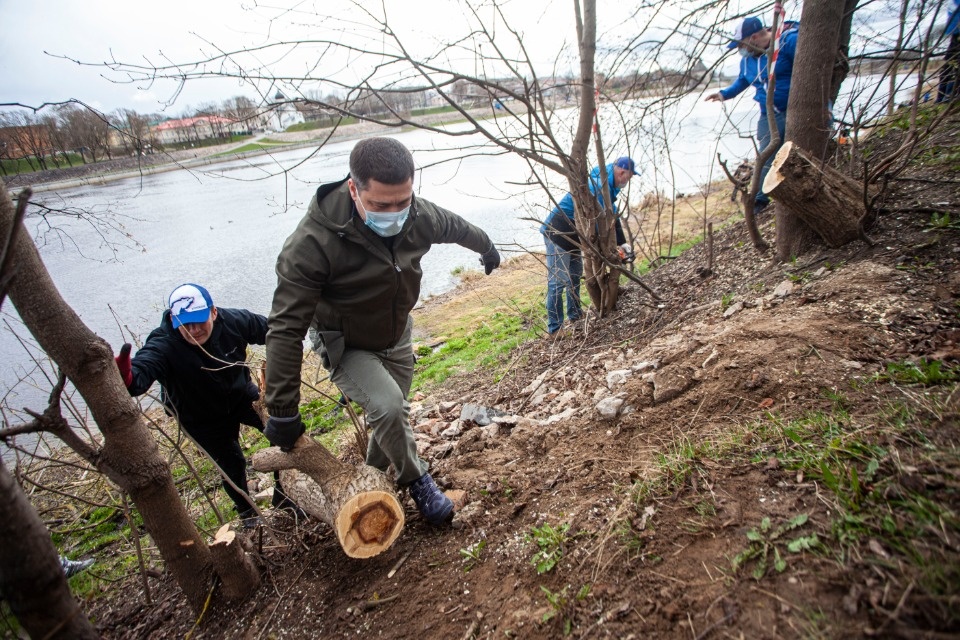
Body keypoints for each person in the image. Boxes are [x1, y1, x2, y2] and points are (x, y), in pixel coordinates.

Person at [262, 137, 500, 526]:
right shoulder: (311, 244)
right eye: (380, 205)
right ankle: (419, 482)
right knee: (390, 407)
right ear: (354, 189)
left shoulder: (417, 215)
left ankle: (370, 482)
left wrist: (486, 247)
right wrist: (283, 408)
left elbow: (456, 226)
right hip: (347, 344)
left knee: (389, 419)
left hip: (397, 335)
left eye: (402, 202)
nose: (394, 213)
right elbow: (286, 327)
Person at [115, 283, 298, 526]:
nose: (193, 330)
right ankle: (248, 513)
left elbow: (275, 331)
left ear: (213, 312)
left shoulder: (233, 321)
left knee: (284, 432)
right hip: (199, 415)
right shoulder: (164, 344)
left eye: (199, 320)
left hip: (240, 395)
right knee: (232, 462)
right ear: (173, 319)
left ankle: (284, 495)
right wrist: (124, 376)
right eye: (185, 324)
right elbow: (140, 374)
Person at [705, 16, 799, 213]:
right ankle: (759, 200)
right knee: (765, 154)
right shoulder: (747, 61)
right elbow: (742, 81)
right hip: (768, 113)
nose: (741, 49)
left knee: (798, 151)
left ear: (754, 37)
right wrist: (724, 94)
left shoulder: (788, 42)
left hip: (796, 109)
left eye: (742, 44)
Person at [539, 157, 638, 336]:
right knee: (558, 282)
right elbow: (600, 223)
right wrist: (609, 250)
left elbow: (612, 216)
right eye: (629, 177)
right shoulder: (598, 187)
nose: (627, 181)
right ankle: (555, 329)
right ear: (622, 172)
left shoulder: (608, 186)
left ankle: (575, 316)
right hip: (558, 231)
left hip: (576, 234)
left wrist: (623, 244)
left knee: (574, 277)